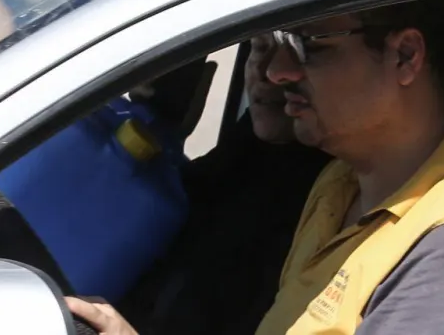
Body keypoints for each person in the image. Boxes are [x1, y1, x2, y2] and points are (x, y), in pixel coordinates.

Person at [68, 0, 444, 335]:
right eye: (276, 44)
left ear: (405, 56)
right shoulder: (339, 181)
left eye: (312, 44)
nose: (277, 72)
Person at [117, 33, 329, 335]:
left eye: (298, 52)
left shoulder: (327, 198)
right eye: (260, 48)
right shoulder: (255, 146)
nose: (266, 72)